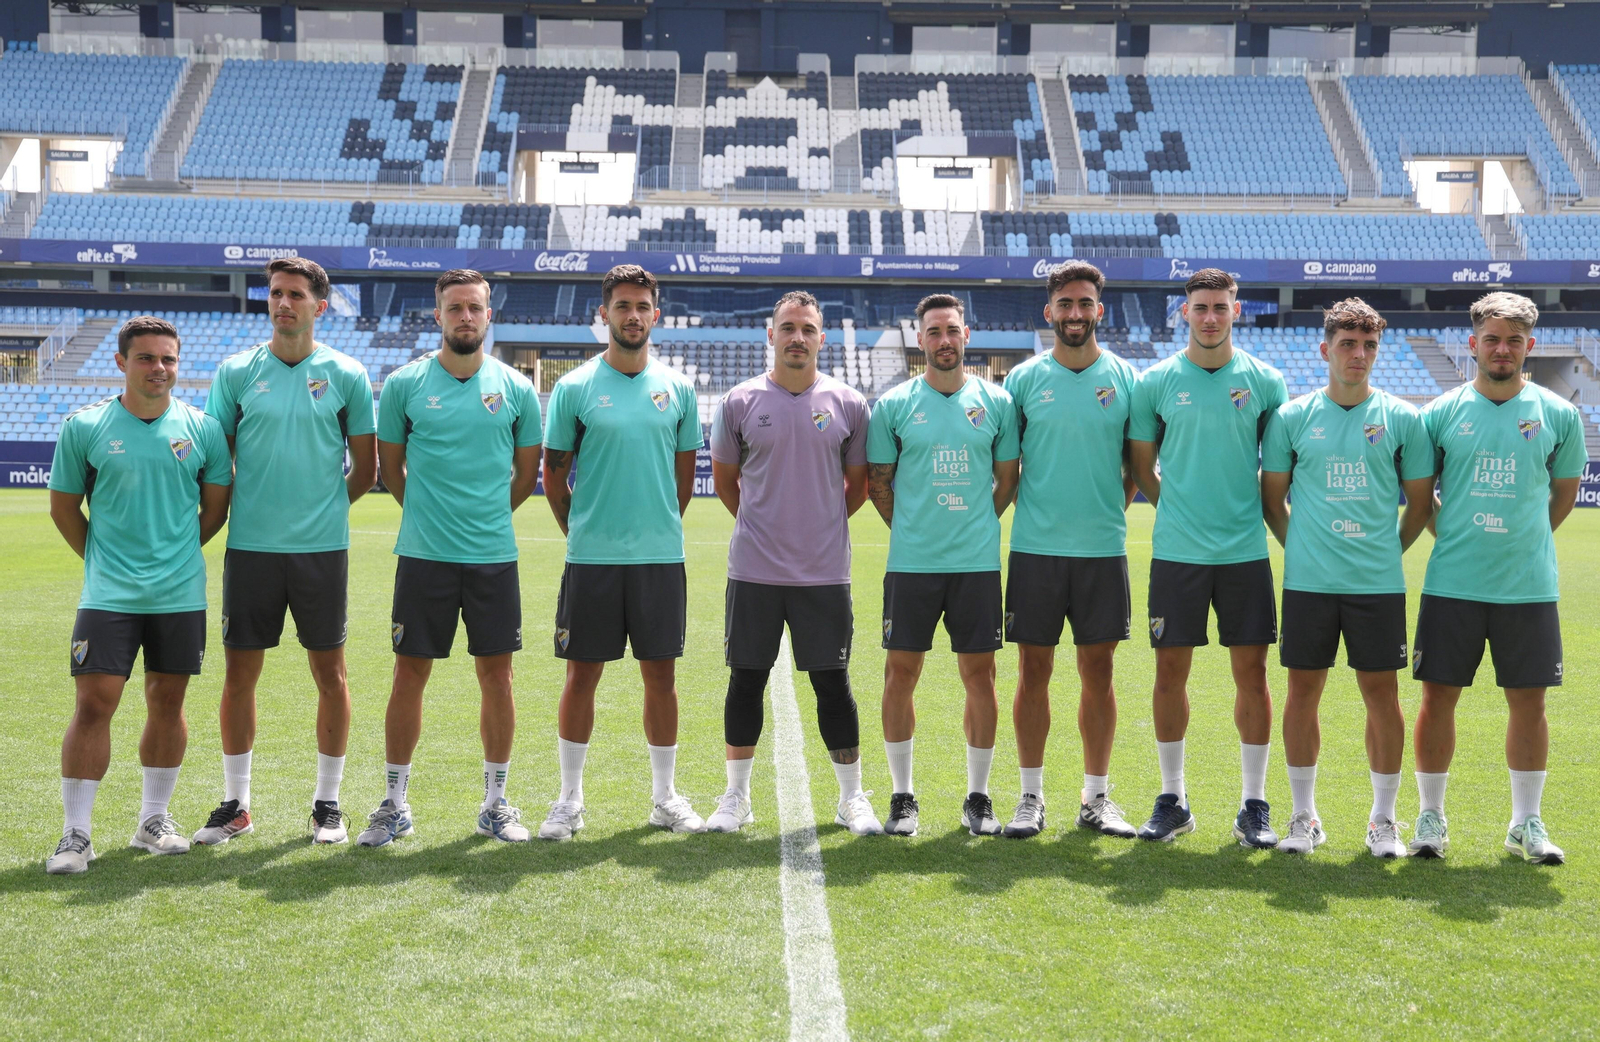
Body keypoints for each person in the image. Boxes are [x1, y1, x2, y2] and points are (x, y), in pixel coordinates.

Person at [193, 258, 377, 847]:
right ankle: (237, 804)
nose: (283, 303)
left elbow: (366, 468)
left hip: (322, 552)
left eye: (295, 294)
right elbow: (217, 464)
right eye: (275, 293)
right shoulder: (236, 372)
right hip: (251, 549)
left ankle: (328, 804)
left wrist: (323, 510)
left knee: (331, 674)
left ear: (319, 306)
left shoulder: (347, 374)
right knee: (239, 676)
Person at [357, 270, 542, 847]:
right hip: (424, 557)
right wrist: (431, 518)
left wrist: (483, 516)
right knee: (408, 673)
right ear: (437, 316)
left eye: (475, 308)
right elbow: (391, 471)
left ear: (490, 316)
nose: (466, 317)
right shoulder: (405, 384)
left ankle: (495, 802)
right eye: (455, 308)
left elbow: (526, 474)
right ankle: (393, 801)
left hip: (492, 557)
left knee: (498, 677)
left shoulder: (516, 389)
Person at [45, 316, 232, 874]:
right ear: (121, 362)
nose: (159, 368)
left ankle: (154, 821)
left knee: (168, 704)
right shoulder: (87, 425)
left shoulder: (202, 429)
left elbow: (214, 509)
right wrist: (105, 563)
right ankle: (76, 835)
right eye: (147, 358)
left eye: (168, 359)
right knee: (94, 703)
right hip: (109, 596)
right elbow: (63, 508)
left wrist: (170, 556)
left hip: (179, 595)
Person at [1408, 291, 1584, 864]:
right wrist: (1457, 536)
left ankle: (1525, 823)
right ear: (1472, 343)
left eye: (1513, 340)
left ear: (1529, 346)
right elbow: (1419, 496)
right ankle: (1430, 817)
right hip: (1452, 584)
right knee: (1438, 700)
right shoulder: (1440, 413)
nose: (1502, 349)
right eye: (1492, 339)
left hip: (1527, 587)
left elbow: (1562, 498)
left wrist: (1522, 538)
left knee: (1529, 704)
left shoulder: (1558, 415)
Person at [1261, 298, 1434, 858]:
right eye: (1348, 345)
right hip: (1309, 586)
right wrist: (1308, 549)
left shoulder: (1403, 418)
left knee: (1381, 696)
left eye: (1369, 346)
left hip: (1377, 587)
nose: (1359, 356)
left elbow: (1418, 506)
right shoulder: (1292, 417)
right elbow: (1273, 501)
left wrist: (1385, 551)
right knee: (1302, 694)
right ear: (1325, 350)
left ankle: (1383, 820)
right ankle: (1304, 816)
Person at [537, 264, 705, 841]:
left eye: (642, 306)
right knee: (581, 677)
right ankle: (569, 801)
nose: (633, 316)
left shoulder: (678, 388)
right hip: (592, 560)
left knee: (662, 678)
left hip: (659, 559)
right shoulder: (575, 388)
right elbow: (553, 477)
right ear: (603, 315)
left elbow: (682, 483)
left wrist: (653, 524)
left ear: (655, 315)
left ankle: (664, 797)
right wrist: (582, 530)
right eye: (622, 306)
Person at [705, 290, 881, 835]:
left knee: (833, 683)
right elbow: (729, 485)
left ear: (821, 338)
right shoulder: (738, 401)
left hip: (824, 573)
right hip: (754, 570)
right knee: (745, 681)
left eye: (807, 328)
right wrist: (767, 525)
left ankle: (851, 798)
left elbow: (857, 489)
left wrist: (817, 526)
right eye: (788, 328)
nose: (797, 337)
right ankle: (737, 797)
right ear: (771, 335)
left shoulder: (849, 404)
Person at [1129, 268, 1288, 847]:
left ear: (1236, 311)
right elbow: (1144, 469)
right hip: (1178, 553)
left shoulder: (1267, 382)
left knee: (1252, 674)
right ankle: (1173, 798)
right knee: (1170, 672)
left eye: (1221, 307)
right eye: (1200, 307)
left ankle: (1254, 803)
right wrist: (1183, 510)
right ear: (1184, 313)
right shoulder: (1156, 383)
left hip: (1245, 551)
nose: (1211, 317)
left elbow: (1277, 472)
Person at [867, 293, 1020, 837]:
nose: (944, 340)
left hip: (976, 565)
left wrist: (976, 523)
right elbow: (878, 485)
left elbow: (1006, 481)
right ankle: (903, 796)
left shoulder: (996, 403)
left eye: (952, 330)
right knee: (899, 674)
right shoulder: (893, 406)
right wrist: (914, 528)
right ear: (920, 339)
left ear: (966, 335)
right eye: (933, 332)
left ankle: (978, 797)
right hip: (912, 565)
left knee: (980, 677)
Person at [1000, 262, 1140, 840]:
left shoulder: (1129, 379)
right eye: (1066, 304)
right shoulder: (1023, 381)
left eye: (1086, 304)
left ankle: (1096, 797)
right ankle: (1031, 796)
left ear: (1098, 311)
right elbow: (1005, 468)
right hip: (1035, 550)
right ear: (1049, 311)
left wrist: (1104, 510)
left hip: (1102, 552)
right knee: (1033, 671)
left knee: (1098, 673)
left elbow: (1134, 470)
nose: (1076, 314)